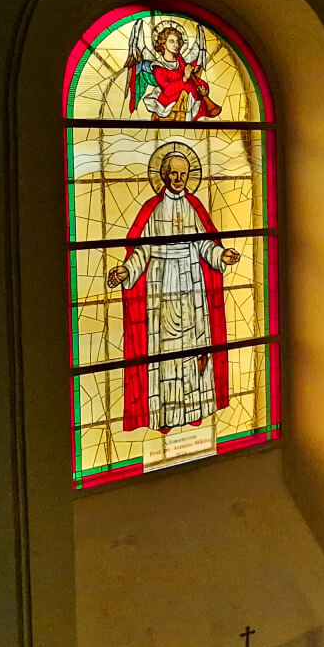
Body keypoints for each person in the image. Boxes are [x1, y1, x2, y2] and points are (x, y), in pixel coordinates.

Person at [106, 146, 240, 432]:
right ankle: (167, 415)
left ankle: (194, 408)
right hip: (162, 281)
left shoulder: (194, 206)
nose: (179, 179)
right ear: (164, 175)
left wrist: (221, 255)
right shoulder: (152, 209)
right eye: (174, 174)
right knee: (166, 349)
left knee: (194, 346)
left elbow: (204, 243)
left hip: (192, 281)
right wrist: (127, 270)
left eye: (183, 174)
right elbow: (142, 250)